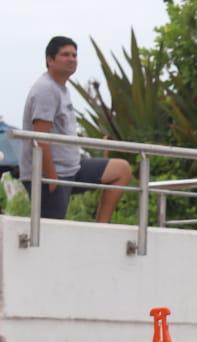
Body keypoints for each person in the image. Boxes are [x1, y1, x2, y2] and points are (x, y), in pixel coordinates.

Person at [19, 36, 132, 222]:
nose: (72, 59)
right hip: (50, 175)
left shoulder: (61, 88)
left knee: (121, 170)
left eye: (74, 55)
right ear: (50, 60)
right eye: (65, 54)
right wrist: (52, 178)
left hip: (73, 168)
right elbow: (40, 137)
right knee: (50, 235)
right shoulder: (46, 89)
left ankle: (100, 229)